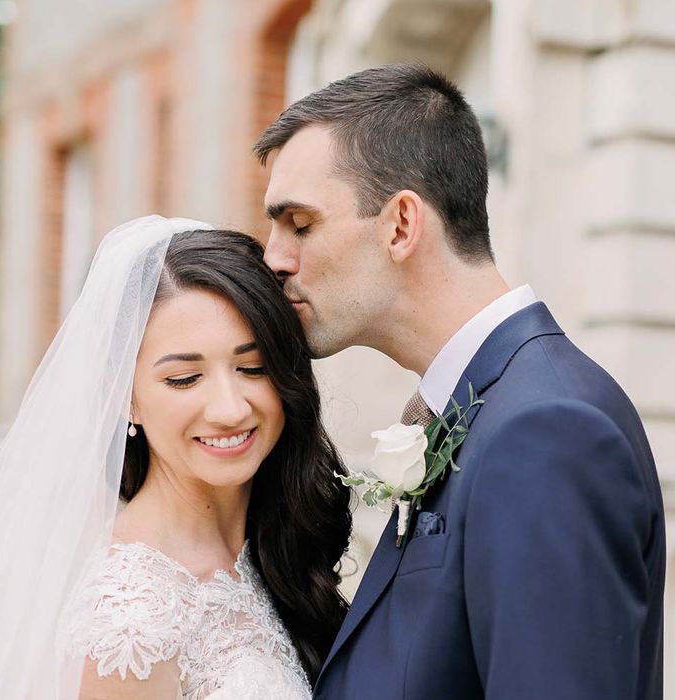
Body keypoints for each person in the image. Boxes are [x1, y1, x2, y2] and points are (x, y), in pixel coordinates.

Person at [255, 63, 665, 699]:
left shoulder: (547, 432)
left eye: (300, 225)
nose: (274, 258)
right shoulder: (482, 405)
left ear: (401, 225)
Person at [0, 217, 351, 699]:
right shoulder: (130, 620)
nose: (229, 408)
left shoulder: (279, 540)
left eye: (253, 368)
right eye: (184, 378)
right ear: (127, 398)